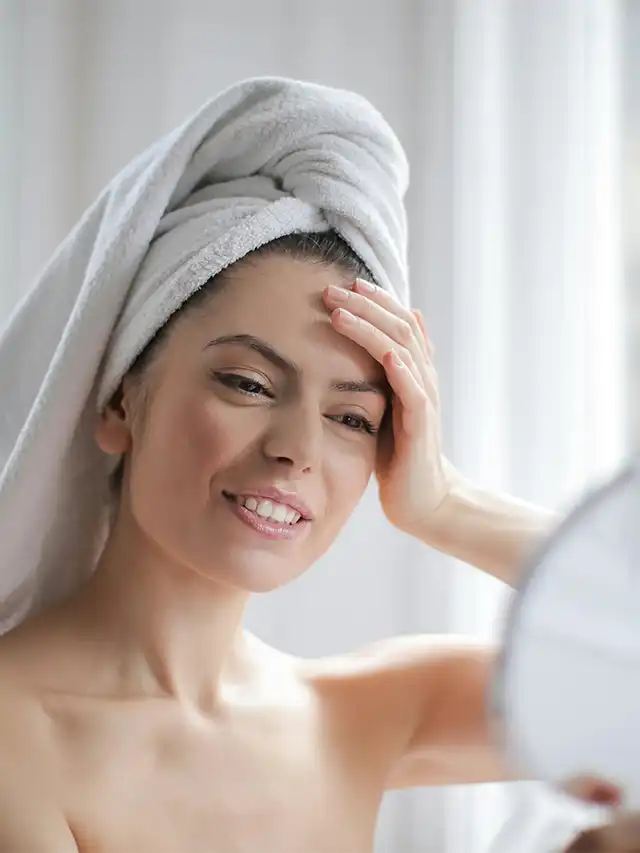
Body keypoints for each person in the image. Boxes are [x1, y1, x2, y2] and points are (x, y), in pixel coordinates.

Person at [0, 78, 634, 853]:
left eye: (350, 417)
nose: (296, 448)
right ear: (120, 400)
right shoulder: (14, 737)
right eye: (248, 383)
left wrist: (446, 502)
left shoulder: (361, 713)